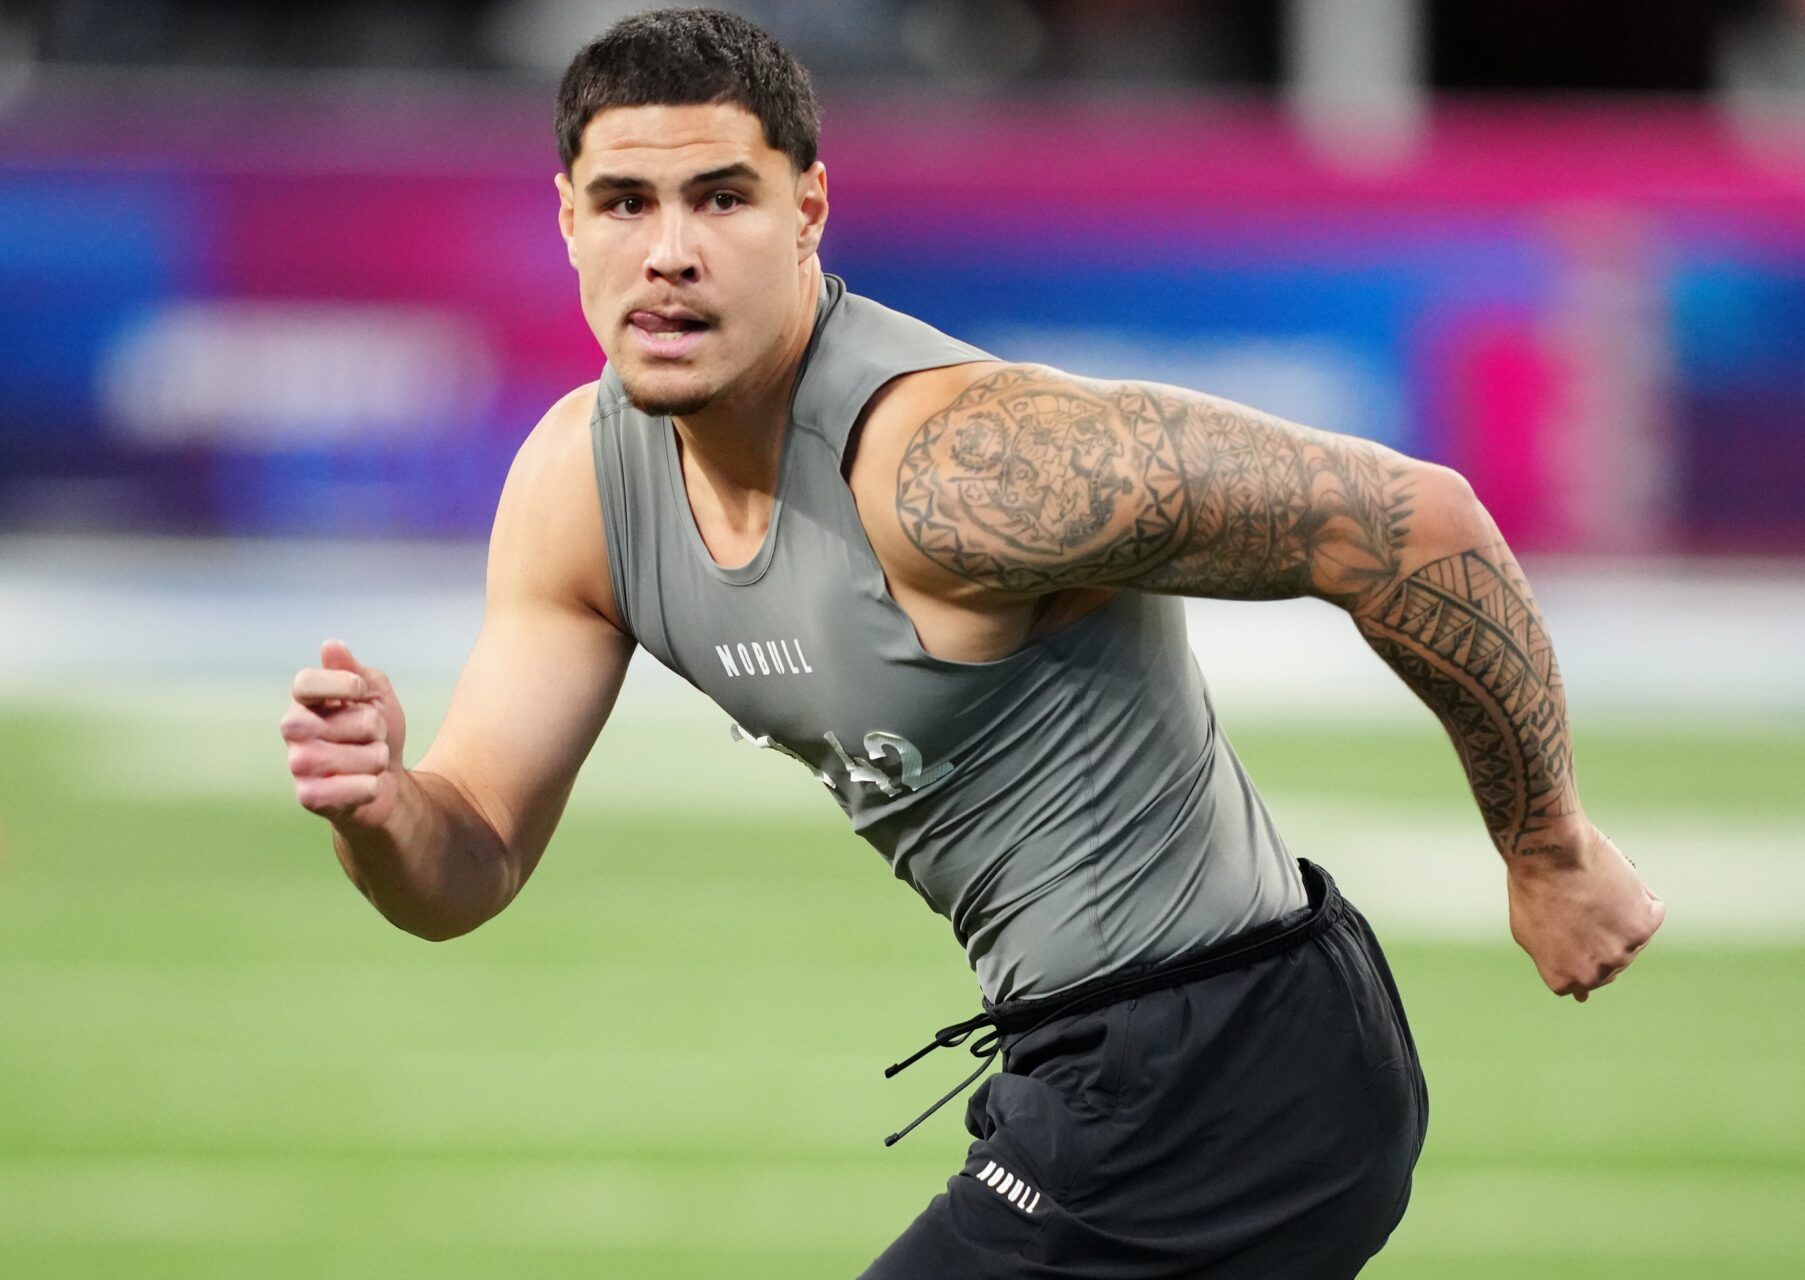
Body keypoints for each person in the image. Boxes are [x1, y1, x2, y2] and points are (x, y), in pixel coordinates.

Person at [279, 9, 1664, 1276]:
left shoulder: (956, 464)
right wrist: (382, 805)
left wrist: (1548, 849)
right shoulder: (582, 489)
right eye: (625, 202)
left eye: (723, 198)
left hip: (1227, 1068)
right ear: (569, 222)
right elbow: (470, 864)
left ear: (809, 211)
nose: (672, 249)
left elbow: (1411, 520)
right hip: (1107, 1068)